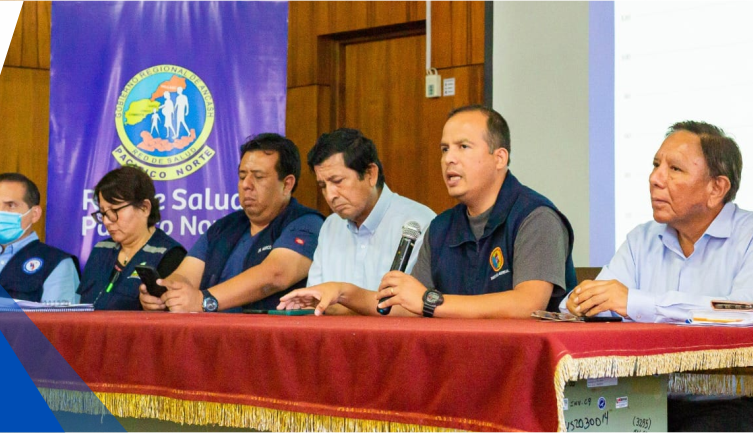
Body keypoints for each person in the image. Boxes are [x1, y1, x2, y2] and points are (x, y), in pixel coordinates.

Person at [562, 121, 753, 431]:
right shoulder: (642, 239)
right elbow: (585, 302)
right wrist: (583, 303)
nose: (655, 179)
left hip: (744, 404)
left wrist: (636, 303)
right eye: (655, 165)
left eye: (674, 169)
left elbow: (746, 314)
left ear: (717, 188)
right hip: (650, 400)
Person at [323, 105, 576, 319]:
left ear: (499, 158)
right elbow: (407, 306)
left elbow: (528, 305)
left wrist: (429, 301)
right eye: (445, 149)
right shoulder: (441, 227)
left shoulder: (536, 217)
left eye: (463, 147)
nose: (449, 159)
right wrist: (344, 293)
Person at [140, 133, 324, 313]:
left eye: (258, 177)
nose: (246, 185)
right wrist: (164, 293)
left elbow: (276, 275)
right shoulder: (224, 227)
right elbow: (185, 276)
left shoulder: (307, 223)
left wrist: (204, 300)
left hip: (269, 331)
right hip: (212, 330)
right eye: (242, 176)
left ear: (287, 184)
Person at [275, 128, 435, 315]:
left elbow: (415, 310)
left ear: (370, 174)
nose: (330, 195)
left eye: (338, 181)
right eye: (323, 186)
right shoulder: (330, 226)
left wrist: (340, 304)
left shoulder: (418, 223)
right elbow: (316, 305)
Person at [77, 166, 187, 310]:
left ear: (144, 208)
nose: (106, 221)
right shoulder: (100, 249)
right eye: (103, 213)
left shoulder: (170, 255)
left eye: (114, 210)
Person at [0, 173, 80, 303]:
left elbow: (58, 316)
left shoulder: (56, 263)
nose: (0, 213)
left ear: (34, 214)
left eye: (11, 205)